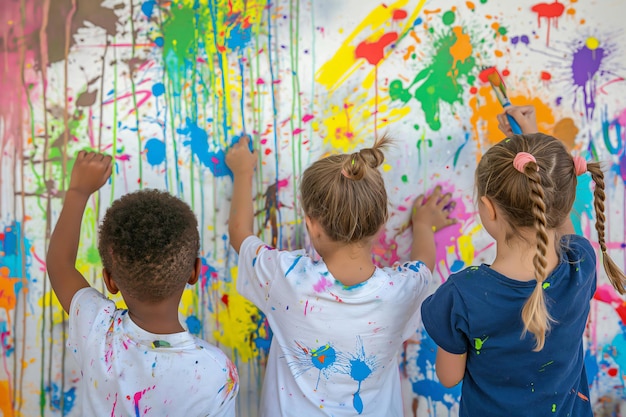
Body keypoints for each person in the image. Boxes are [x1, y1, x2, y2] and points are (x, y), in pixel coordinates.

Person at [225, 134, 456, 416]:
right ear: (383, 221)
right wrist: (422, 224)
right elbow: (424, 264)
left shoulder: (286, 278)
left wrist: (243, 172)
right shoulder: (403, 290)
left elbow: (240, 234)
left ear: (312, 226)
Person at [421, 106, 626, 417]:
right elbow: (557, 215)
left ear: (488, 209)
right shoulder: (580, 264)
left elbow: (449, 378)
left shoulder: (462, 295)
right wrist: (532, 141)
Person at [47, 151, 239, 416]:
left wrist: (78, 191)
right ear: (195, 272)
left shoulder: (97, 330)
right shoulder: (217, 371)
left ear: (110, 281)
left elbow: (60, 264)